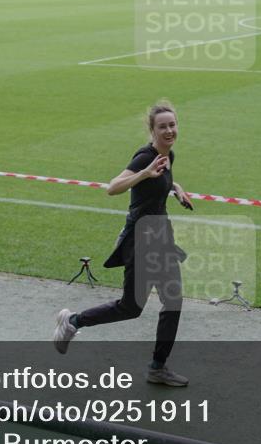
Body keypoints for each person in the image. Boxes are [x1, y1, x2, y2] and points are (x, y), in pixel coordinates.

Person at [53, 102, 194, 386]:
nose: (169, 130)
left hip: (161, 238)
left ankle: (157, 367)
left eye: (172, 125)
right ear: (152, 130)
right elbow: (113, 187)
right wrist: (144, 173)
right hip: (140, 240)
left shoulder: (168, 155)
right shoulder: (144, 157)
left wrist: (176, 189)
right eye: (163, 126)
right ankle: (73, 322)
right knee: (131, 307)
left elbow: (161, 181)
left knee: (173, 301)